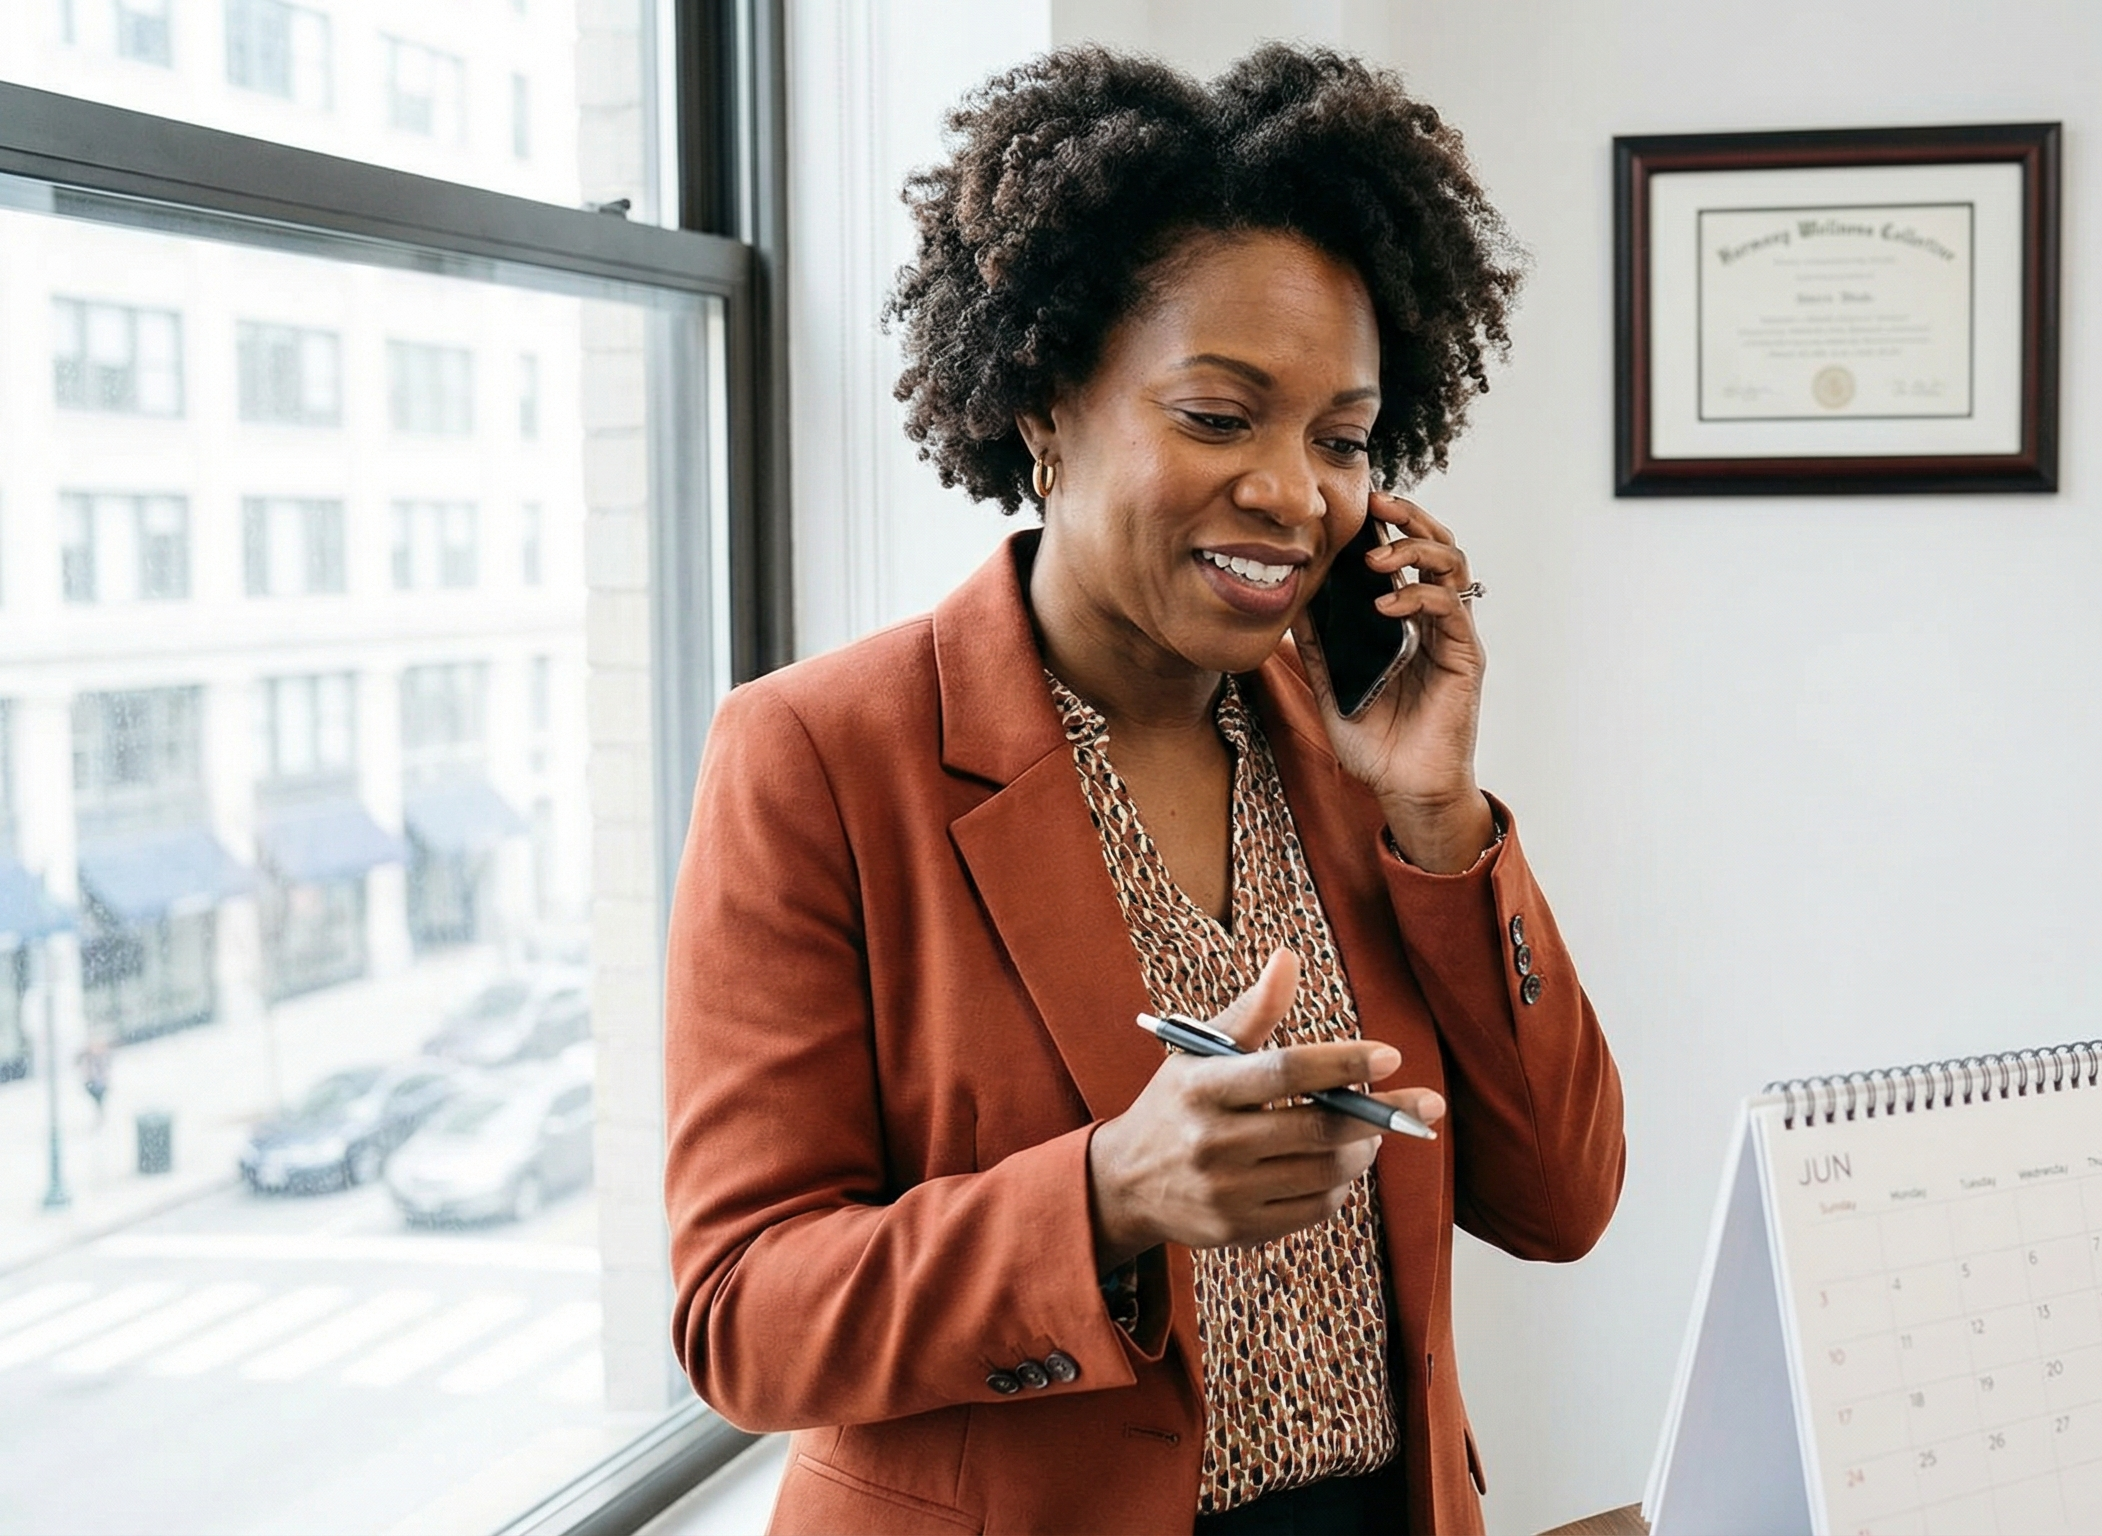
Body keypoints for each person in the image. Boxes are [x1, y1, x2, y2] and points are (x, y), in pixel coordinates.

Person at [661, 44, 1625, 1536]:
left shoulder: (1349, 746)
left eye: (1343, 439)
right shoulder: (819, 754)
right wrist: (1106, 1195)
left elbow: (1559, 1202)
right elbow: (740, 1315)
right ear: (1046, 403)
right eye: (1220, 417)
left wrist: (1440, 816)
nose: (1297, 494)